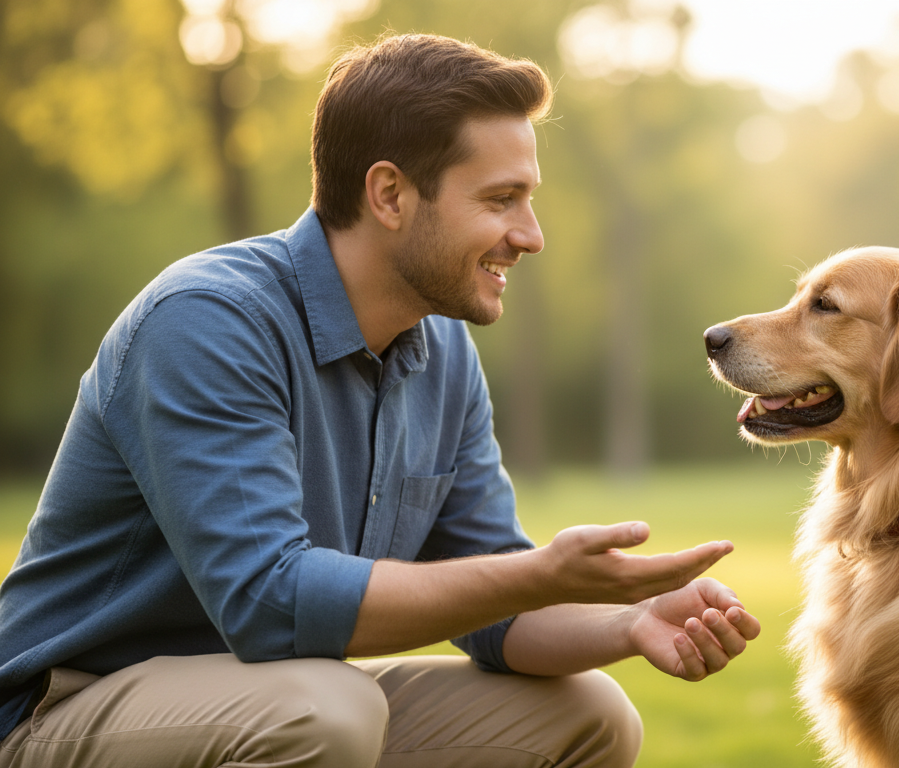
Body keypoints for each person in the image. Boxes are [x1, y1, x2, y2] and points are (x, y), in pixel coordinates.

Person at [0, 33, 760, 768]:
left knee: (585, 715)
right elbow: (268, 602)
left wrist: (628, 623)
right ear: (390, 193)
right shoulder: (207, 321)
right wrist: (540, 573)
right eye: (501, 199)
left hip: (273, 698)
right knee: (325, 710)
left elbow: (491, 601)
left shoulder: (443, 352)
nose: (529, 236)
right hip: (63, 709)